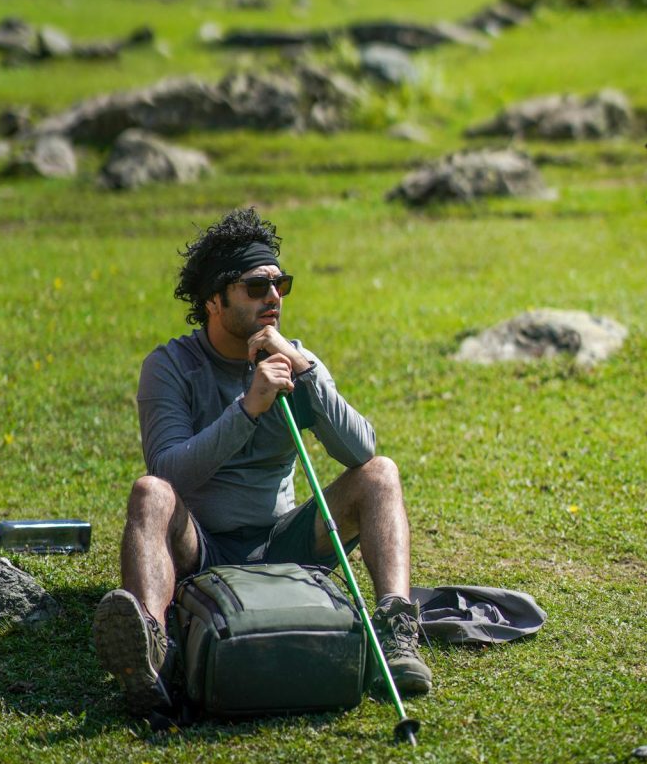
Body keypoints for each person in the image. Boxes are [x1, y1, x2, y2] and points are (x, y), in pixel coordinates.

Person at [93, 207, 431, 715]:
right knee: (149, 493)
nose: (273, 297)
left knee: (380, 474)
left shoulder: (296, 360)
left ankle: (396, 630)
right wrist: (248, 409)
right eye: (256, 286)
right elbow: (169, 472)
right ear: (214, 299)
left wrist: (308, 372)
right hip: (200, 544)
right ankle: (153, 652)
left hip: (284, 539)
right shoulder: (170, 367)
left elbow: (361, 451)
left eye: (280, 284)